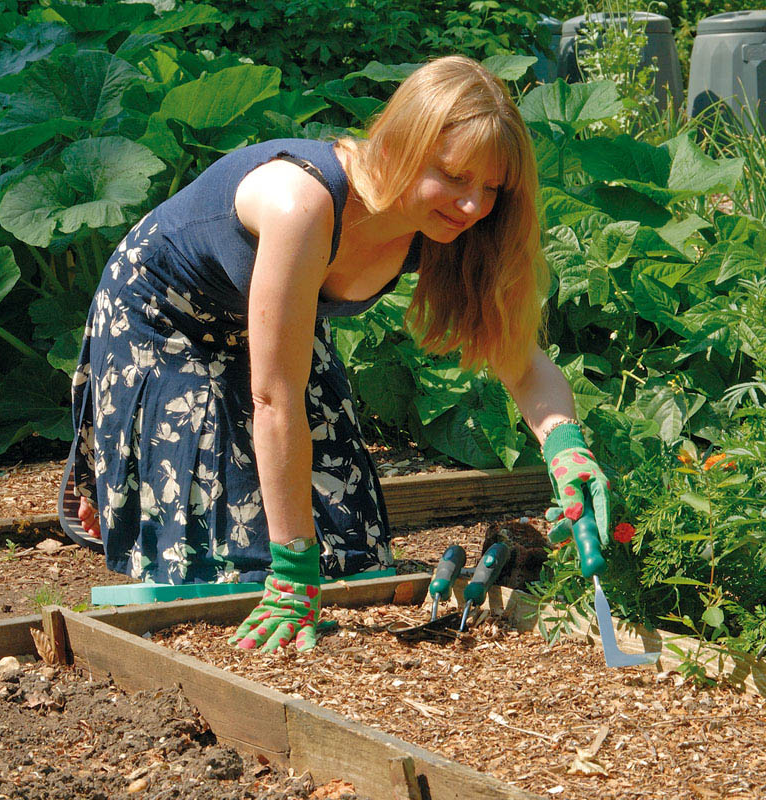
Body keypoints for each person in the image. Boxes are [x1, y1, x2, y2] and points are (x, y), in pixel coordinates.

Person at [70, 55, 609, 653]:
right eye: (455, 177)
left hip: (262, 317)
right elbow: (274, 398)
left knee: (355, 550)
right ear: (403, 143)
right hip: (163, 321)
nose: (473, 206)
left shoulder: (451, 230)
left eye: (491, 189)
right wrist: (293, 575)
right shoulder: (303, 202)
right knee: (234, 562)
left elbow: (522, 361)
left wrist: (565, 447)